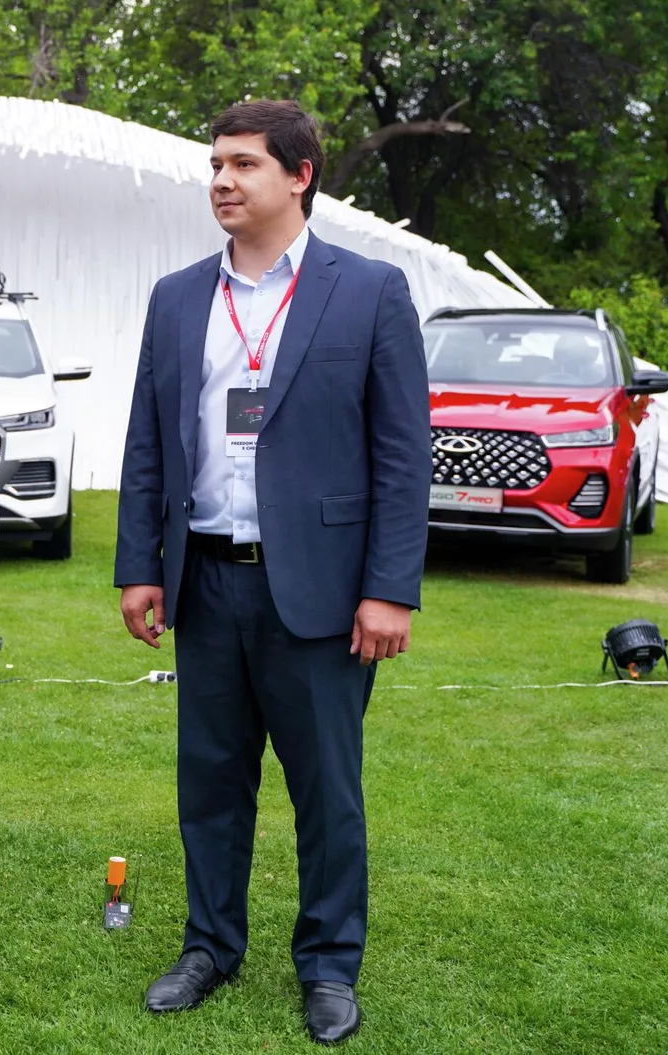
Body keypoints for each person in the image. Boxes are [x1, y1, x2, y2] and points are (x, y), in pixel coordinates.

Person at [113, 100, 429, 1044]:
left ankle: (329, 965)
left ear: (299, 175)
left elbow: (402, 455)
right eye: (215, 163)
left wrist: (389, 588)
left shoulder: (369, 290)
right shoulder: (177, 297)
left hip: (323, 593)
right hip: (206, 579)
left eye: (244, 163)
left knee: (326, 791)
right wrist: (140, 565)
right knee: (210, 782)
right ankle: (209, 945)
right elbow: (147, 442)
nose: (222, 179)